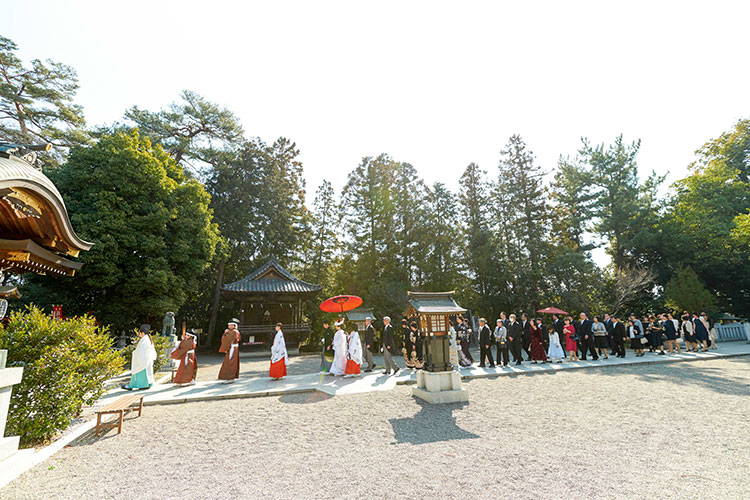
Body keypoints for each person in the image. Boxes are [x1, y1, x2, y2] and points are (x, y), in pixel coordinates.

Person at [124, 324, 157, 390]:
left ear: (142, 333)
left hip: (143, 360)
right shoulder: (147, 339)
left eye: (140, 332)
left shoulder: (144, 340)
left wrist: (135, 353)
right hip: (147, 360)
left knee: (141, 372)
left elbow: (142, 351)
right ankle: (146, 385)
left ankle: (141, 385)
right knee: (147, 373)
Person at [218, 319, 241, 383]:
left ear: (234, 325)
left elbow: (228, 339)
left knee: (231, 362)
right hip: (232, 348)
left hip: (232, 348)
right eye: (228, 325)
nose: (229, 326)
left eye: (230, 325)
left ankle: (230, 377)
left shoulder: (233, 332)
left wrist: (226, 333)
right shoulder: (233, 332)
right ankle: (230, 377)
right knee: (231, 362)